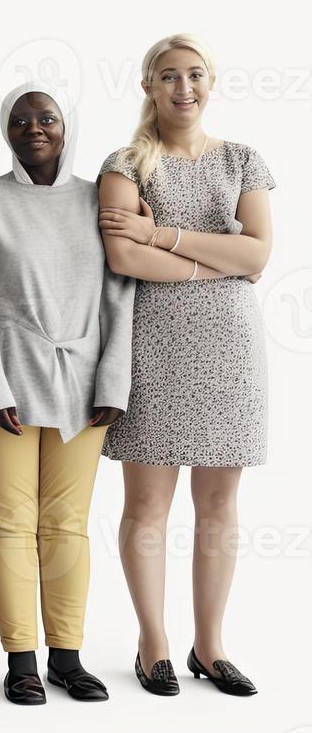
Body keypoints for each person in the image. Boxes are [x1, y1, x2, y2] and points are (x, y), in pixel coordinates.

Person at [97, 34, 273, 697]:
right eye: (168, 76)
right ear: (148, 85)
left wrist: (163, 236)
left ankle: (211, 644)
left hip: (233, 353)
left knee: (220, 505)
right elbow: (124, 260)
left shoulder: (243, 161)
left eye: (195, 75)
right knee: (146, 505)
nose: (183, 87)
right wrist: (215, 259)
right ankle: (155, 644)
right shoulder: (126, 164)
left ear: (211, 81)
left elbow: (258, 257)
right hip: (156, 350)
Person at [0, 82, 135, 705]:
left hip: (83, 385)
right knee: (9, 523)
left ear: (67, 127)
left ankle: (67, 655)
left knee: (67, 525)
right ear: (6, 132)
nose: (34, 127)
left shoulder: (98, 200)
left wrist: (113, 379)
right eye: (21, 120)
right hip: (4, 382)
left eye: (47, 118)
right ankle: (21, 659)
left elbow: (120, 296)